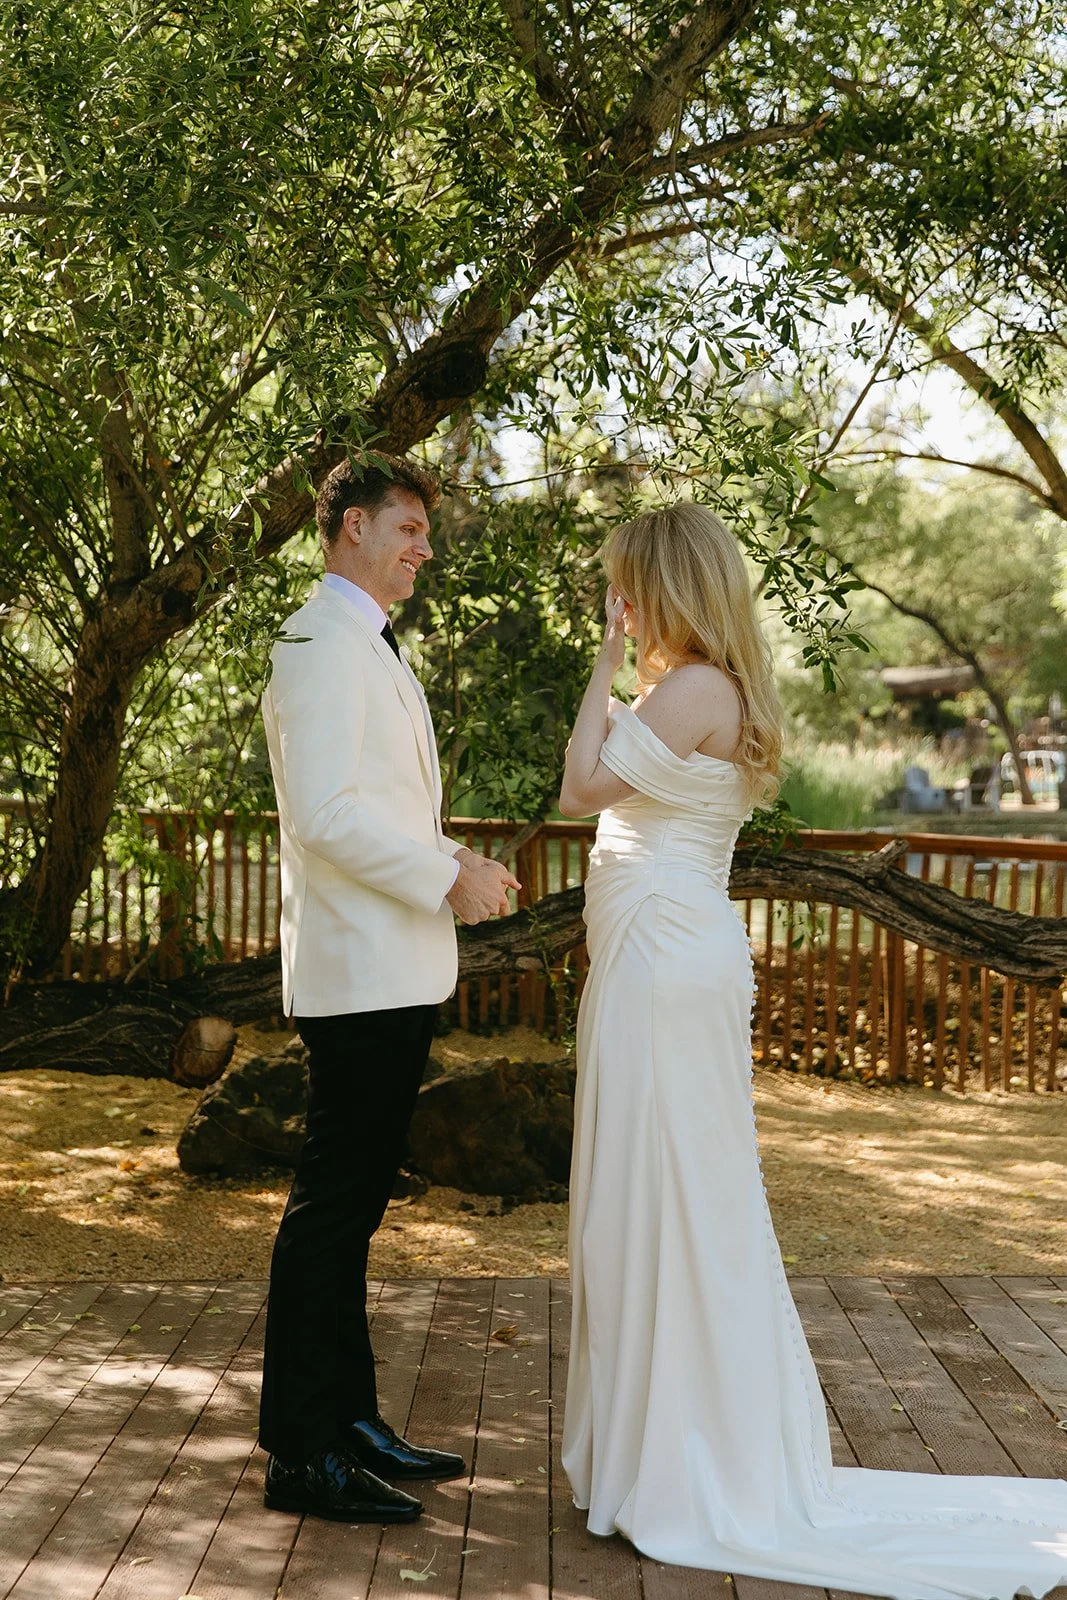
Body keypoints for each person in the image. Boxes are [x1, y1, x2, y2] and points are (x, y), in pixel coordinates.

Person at [558, 502, 1067, 1598]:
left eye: (628, 586)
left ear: (666, 586)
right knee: (665, 1197)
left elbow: (579, 790)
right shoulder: (705, 688)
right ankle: (659, 1445)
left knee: (669, 1200)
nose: (623, 603)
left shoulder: (689, 689)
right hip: (660, 956)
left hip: (661, 964)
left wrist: (599, 660)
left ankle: (684, 1460)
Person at [258, 454, 519, 1525]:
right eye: (406, 527)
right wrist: (444, 874)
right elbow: (322, 813)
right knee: (328, 1213)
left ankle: (350, 1417)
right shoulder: (318, 645)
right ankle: (297, 1453)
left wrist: (454, 856)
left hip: (391, 969)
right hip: (358, 974)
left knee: (354, 1210)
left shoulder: (363, 642)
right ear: (351, 526)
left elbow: (379, 806)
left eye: (425, 532)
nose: (420, 547)